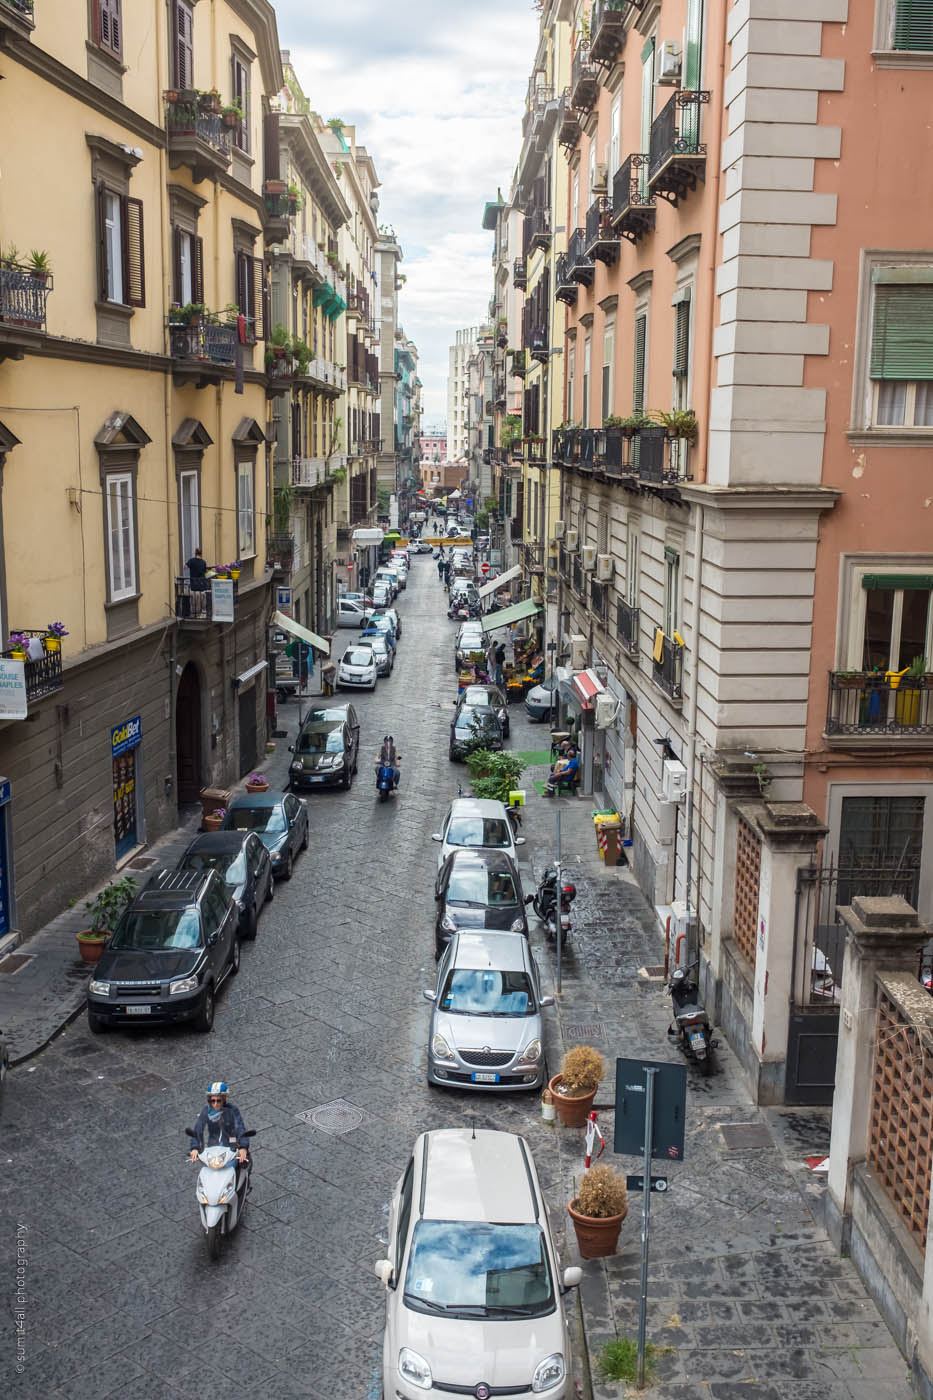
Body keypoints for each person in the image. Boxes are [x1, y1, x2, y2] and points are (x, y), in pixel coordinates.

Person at [188, 1082, 249, 1167]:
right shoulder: (206, 1111)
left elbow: (240, 1127)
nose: (215, 1104)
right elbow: (198, 1129)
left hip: (231, 1144)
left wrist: (243, 1147)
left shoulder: (232, 1110)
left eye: (218, 1100)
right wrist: (194, 1147)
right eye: (212, 1101)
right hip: (213, 1146)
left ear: (224, 1099)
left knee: (232, 1165)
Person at [186, 547, 209, 617]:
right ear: (201, 554)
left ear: (195, 553)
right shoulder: (203, 562)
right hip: (202, 585)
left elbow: (185, 566)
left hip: (194, 585)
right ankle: (202, 613)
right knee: (202, 601)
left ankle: (194, 614)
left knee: (194, 602)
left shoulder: (191, 561)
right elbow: (205, 572)